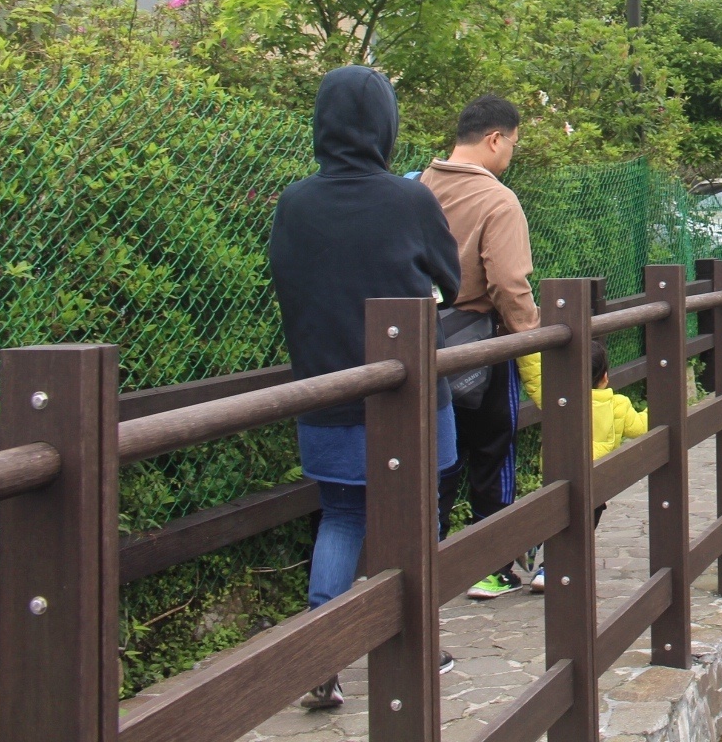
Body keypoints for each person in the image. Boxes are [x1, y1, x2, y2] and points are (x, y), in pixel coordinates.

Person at [269, 66, 463, 708]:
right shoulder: (410, 200)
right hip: (408, 392)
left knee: (344, 514)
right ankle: (419, 637)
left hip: (324, 392)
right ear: (386, 125)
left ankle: (322, 658)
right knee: (418, 513)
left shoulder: (295, 203)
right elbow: (454, 283)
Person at [420, 96, 538, 601]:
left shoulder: (418, 188)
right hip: (481, 342)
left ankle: (431, 562)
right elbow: (509, 283)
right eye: (512, 143)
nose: (511, 154)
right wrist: (532, 336)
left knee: (440, 457)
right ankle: (494, 566)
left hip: (424, 339)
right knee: (493, 450)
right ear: (494, 138)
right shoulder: (497, 200)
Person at [526, 340, 648, 590]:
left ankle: (534, 542)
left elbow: (533, 373)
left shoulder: (555, 396)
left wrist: (528, 339)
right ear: (605, 377)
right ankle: (551, 568)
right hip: (595, 479)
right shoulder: (618, 404)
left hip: (556, 469)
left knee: (555, 512)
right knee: (581, 523)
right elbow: (640, 427)